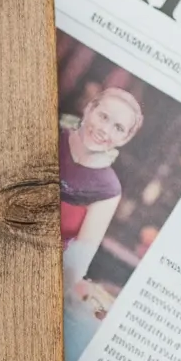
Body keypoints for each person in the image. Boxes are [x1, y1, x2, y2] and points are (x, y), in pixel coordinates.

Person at [60, 80, 144, 288]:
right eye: (103, 116)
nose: (105, 130)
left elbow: (76, 264)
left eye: (118, 128)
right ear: (89, 109)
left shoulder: (108, 189)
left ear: (124, 139)